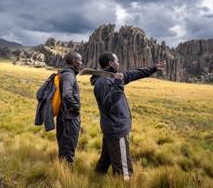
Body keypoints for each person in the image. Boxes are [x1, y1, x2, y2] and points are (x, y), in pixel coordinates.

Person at [90, 51, 165, 180]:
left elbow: (132, 74)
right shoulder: (102, 82)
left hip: (113, 128)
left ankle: (95, 180)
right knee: (124, 171)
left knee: (105, 160)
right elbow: (109, 104)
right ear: (110, 63)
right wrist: (118, 84)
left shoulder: (111, 77)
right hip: (116, 130)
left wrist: (153, 68)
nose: (119, 63)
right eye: (117, 61)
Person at [56, 52, 83, 166]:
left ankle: (61, 172)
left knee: (64, 148)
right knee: (68, 150)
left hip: (64, 116)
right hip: (69, 118)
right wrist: (76, 107)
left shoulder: (66, 73)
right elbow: (67, 94)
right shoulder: (69, 75)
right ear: (73, 61)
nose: (81, 63)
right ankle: (66, 178)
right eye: (80, 60)